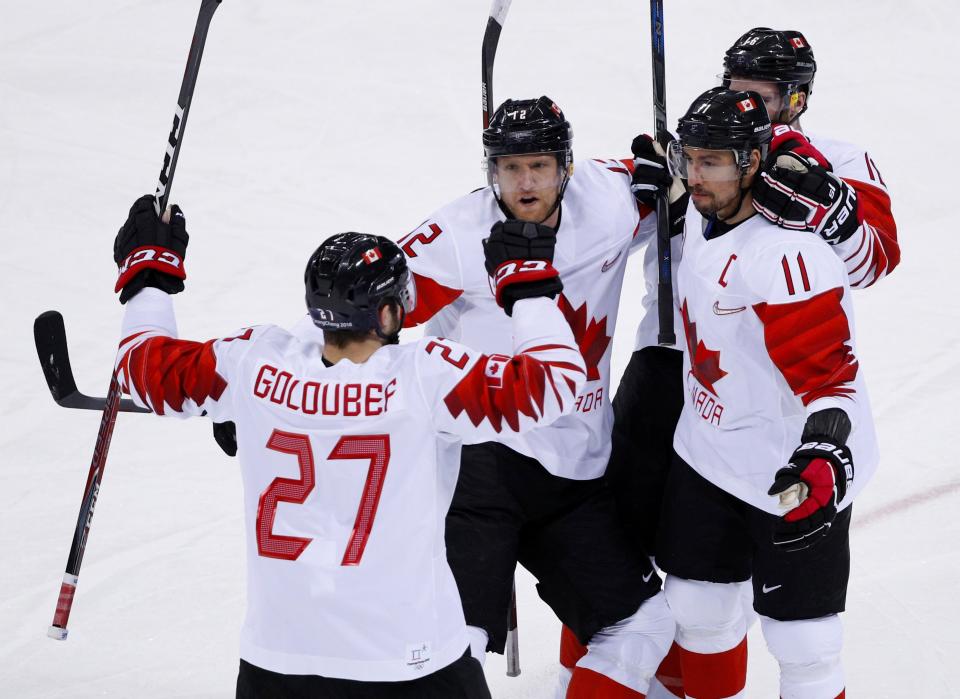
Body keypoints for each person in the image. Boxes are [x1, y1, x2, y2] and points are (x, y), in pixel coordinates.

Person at [109, 194, 588, 698]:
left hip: (277, 661)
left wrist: (148, 278)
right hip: (408, 662)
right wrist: (528, 289)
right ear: (385, 314)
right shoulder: (424, 379)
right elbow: (553, 384)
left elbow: (141, 366)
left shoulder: (250, 365)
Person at [575, 28, 901, 699]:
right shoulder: (710, 171)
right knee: (691, 598)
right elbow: (633, 220)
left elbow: (870, 269)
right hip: (699, 411)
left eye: (760, 92)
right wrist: (641, 192)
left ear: (796, 97)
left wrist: (835, 214)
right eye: (735, 88)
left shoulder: (805, 217)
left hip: (784, 430)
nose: (743, 98)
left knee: (804, 640)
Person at [399, 96, 676, 698]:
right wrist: (302, 375)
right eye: (510, 167)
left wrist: (667, 172)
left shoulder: (610, 200)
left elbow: (663, 178)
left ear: (566, 167)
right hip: (478, 463)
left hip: (573, 470)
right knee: (453, 646)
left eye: (540, 167)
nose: (525, 182)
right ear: (490, 170)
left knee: (644, 624)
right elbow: (365, 311)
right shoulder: (455, 237)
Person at [654, 86, 877, 699]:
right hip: (706, 453)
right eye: (688, 158)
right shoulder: (705, 213)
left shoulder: (786, 256)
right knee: (696, 607)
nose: (694, 176)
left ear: (753, 161)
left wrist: (825, 451)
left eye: (712, 162)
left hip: (787, 468)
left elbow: (832, 378)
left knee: (804, 643)